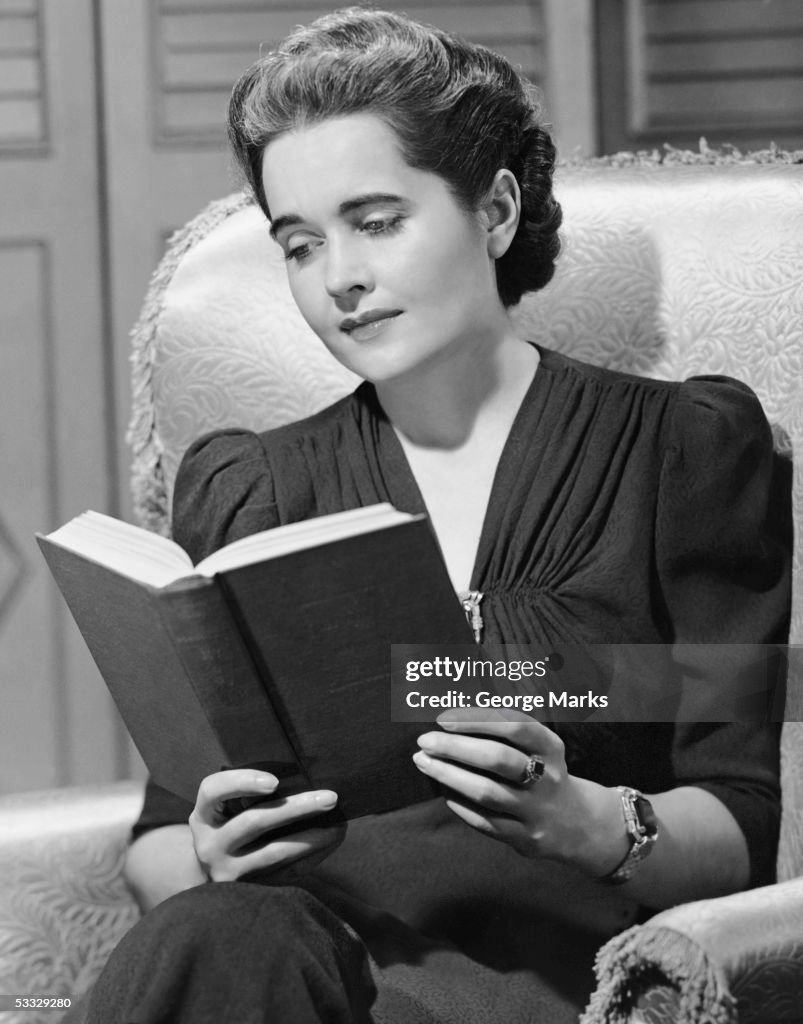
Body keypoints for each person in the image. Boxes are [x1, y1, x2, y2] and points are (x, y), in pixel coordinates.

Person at [76, 7, 790, 1023]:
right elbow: (158, 839)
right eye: (298, 243)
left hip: (549, 980)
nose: (339, 280)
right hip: (284, 970)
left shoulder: (681, 454)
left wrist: (581, 819)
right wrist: (206, 851)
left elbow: (742, 816)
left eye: (375, 221)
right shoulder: (250, 491)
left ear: (492, 209)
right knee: (221, 930)